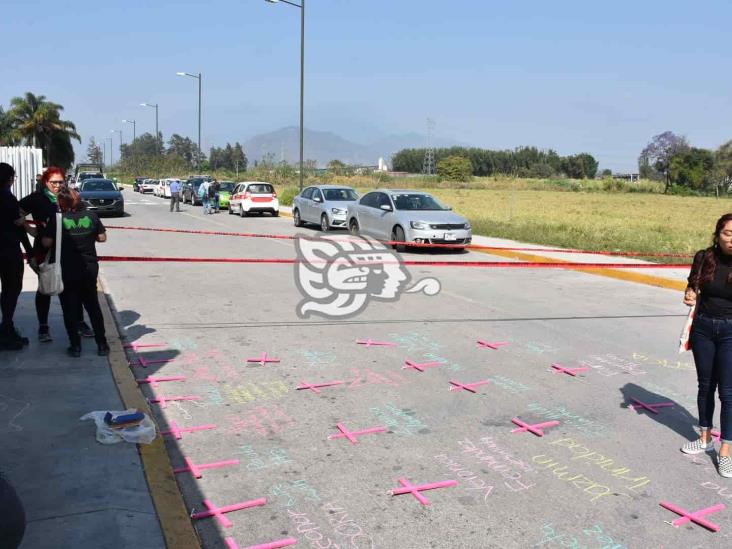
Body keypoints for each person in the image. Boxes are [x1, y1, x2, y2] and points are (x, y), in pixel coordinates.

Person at [683, 212, 732, 478]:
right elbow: (692, 288)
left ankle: (725, 452)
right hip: (703, 327)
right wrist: (689, 294)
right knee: (705, 386)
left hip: (730, 331)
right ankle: (704, 439)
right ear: (717, 235)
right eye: (728, 234)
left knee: (728, 392)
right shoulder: (704, 258)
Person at [19, 167, 93, 343]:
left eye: (61, 182)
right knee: (45, 288)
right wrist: (28, 229)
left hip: (70, 252)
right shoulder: (37, 199)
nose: (58, 186)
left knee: (72, 289)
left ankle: (79, 322)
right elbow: (17, 215)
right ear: (45, 182)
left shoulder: (69, 197)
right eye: (54, 182)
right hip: (45, 252)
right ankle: (43, 327)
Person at [42, 186, 109, 357]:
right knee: (93, 307)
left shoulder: (58, 219)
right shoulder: (91, 216)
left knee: (69, 309)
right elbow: (102, 238)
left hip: (67, 270)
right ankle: (102, 345)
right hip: (89, 269)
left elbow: (47, 243)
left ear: (61, 203)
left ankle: (75, 346)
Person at [0, 163, 33, 350]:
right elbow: (19, 228)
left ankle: (7, 327)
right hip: (8, 251)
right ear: (10, 179)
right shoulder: (8, 198)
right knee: (12, 288)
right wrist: (29, 251)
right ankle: (7, 328)